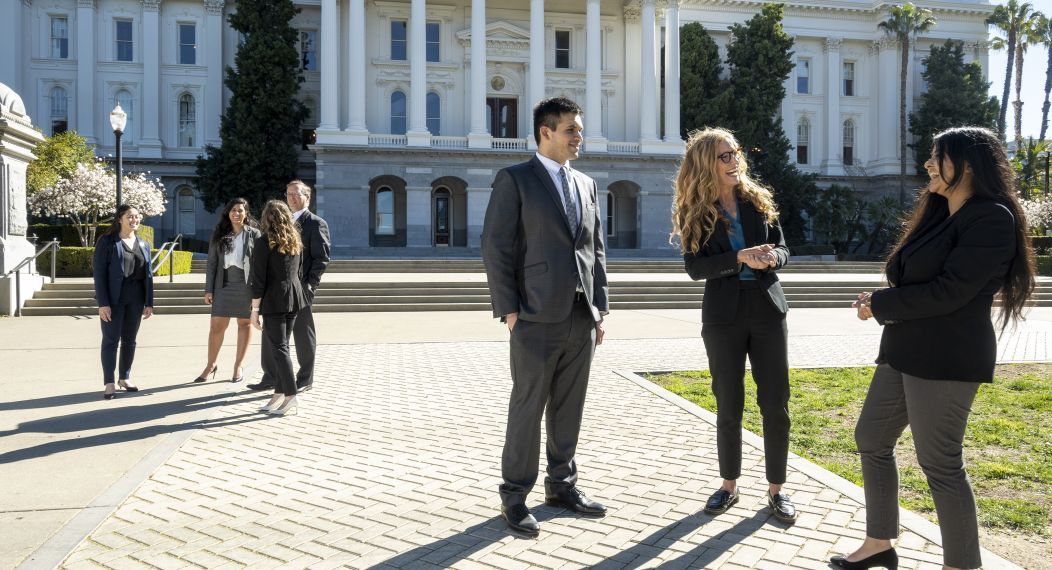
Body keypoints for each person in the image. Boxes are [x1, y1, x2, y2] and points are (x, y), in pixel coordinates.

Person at [833, 126, 1035, 570]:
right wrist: (881, 300)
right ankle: (880, 541)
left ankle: (961, 565)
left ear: (966, 164)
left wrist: (883, 303)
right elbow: (916, 278)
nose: (927, 164)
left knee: (940, 463)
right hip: (905, 348)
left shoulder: (991, 216)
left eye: (936, 156)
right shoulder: (940, 211)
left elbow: (951, 291)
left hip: (947, 356)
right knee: (871, 437)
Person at [481, 96, 610, 537]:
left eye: (579, 129)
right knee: (528, 406)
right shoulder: (515, 179)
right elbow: (496, 246)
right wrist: (510, 311)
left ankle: (562, 485)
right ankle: (514, 496)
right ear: (546, 132)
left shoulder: (587, 185)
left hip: (579, 315)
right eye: (572, 129)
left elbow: (596, 251)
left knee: (569, 406)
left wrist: (600, 308)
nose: (579, 137)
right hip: (534, 316)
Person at [669, 127, 797, 524]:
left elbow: (784, 248)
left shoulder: (757, 202)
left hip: (767, 310)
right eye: (725, 156)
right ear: (707, 164)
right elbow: (694, 268)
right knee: (729, 403)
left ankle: (777, 490)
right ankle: (729, 486)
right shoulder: (696, 210)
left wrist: (773, 258)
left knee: (775, 404)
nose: (734, 161)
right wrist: (738, 257)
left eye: (736, 153)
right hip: (723, 316)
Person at [248, 180, 330, 393]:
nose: (291, 197)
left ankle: (304, 379)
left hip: (300, 290)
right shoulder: (282, 223)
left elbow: (321, 259)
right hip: (275, 290)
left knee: (303, 334)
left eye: (296, 194)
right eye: (288, 194)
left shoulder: (316, 223)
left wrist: (310, 286)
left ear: (308, 197)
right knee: (272, 335)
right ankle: (271, 376)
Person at [194, 198, 261, 383]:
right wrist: (209, 290)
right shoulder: (219, 232)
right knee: (216, 326)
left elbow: (259, 264)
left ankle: (238, 366)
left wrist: (259, 291)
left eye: (240, 210)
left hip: (246, 285)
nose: (236, 213)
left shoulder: (254, 234)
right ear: (228, 213)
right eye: (233, 210)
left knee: (244, 324)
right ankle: (211, 365)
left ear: (246, 213)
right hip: (223, 284)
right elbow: (212, 263)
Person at [250, 200, 307, 417]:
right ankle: (279, 393)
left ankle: (291, 395)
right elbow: (298, 272)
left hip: (274, 300)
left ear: (267, 218)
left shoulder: (265, 242)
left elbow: (258, 279)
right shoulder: (295, 241)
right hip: (293, 297)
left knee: (279, 348)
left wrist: (254, 310)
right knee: (282, 347)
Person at [93, 204, 155, 399]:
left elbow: (148, 275)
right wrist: (102, 303)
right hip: (113, 300)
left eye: (137, 216)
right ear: (120, 218)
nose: (134, 220)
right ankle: (109, 382)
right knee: (111, 340)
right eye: (130, 216)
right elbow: (99, 274)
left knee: (130, 340)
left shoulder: (143, 244)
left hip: (136, 299)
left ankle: (124, 377)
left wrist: (149, 302)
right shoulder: (107, 241)